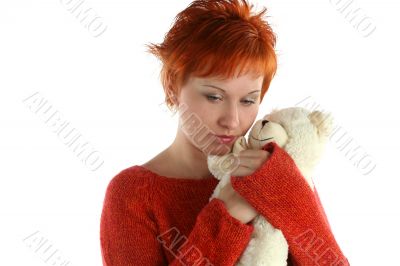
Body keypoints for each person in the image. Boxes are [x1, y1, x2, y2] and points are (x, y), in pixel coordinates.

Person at [100, 0, 350, 265]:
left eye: (248, 101)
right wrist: (225, 219)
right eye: (214, 96)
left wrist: (287, 192)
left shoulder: (275, 170)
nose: (232, 120)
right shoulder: (133, 195)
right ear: (173, 86)